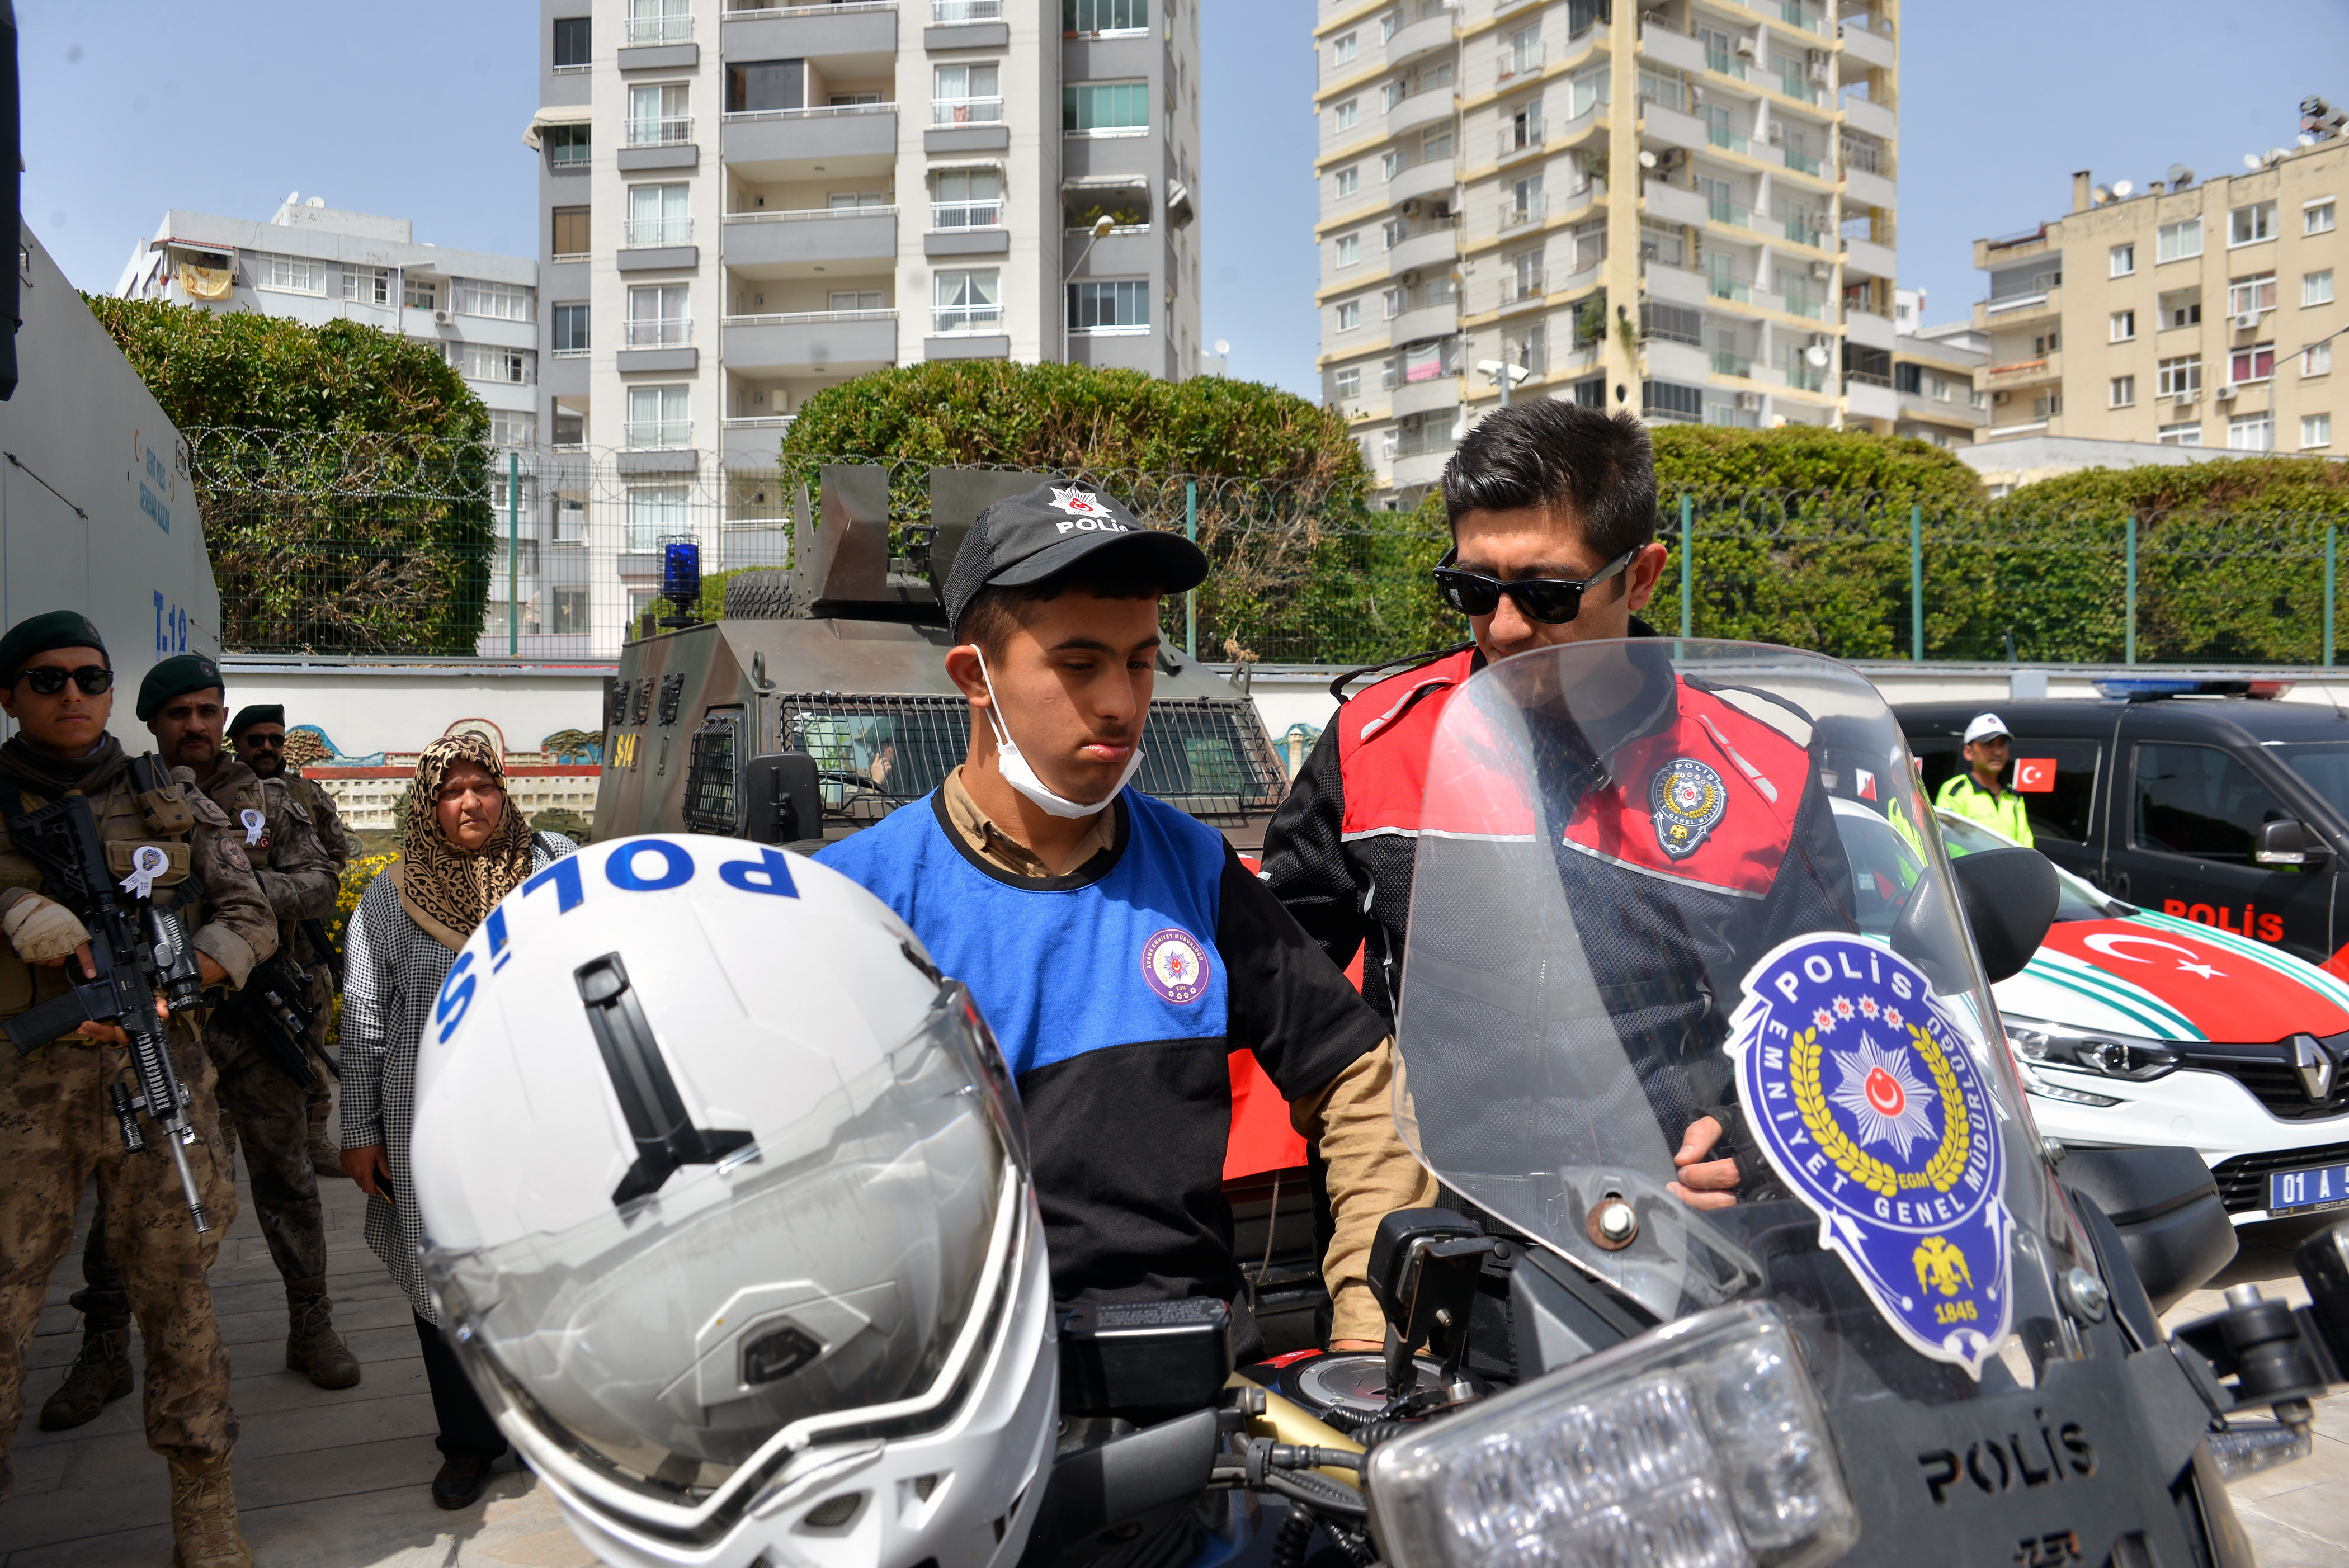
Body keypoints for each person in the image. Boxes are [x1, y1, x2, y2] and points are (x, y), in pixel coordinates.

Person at [815, 479, 1437, 1359]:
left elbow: (1361, 1083)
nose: (1119, 701)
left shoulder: (1195, 868)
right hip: (962, 1406)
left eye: (1140, 661)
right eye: (1078, 665)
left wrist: (1369, 1347)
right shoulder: (856, 903)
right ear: (975, 678)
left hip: (1198, 1396)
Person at [0, 613, 276, 1567]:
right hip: (24, 1095)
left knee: (179, 1291)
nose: (71, 695)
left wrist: (187, 977)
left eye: (89, 677)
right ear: (10, 696)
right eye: (46, 679)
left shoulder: (170, 800)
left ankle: (205, 1509)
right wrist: (9, 906)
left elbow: (250, 912)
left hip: (157, 1078)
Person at [338, 735, 576, 1510]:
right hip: (427, 1124)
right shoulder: (391, 895)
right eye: (452, 791)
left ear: (506, 793)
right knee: (443, 1281)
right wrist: (359, 1129)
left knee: (547, 1269)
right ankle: (469, 1443)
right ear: (428, 803)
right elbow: (368, 1015)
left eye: (484, 787)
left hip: (542, 1117)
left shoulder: (551, 874)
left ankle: (554, 1432)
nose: (470, 802)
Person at [136, 660, 358, 1392]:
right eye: (178, 713)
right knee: (140, 1187)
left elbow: (324, 882)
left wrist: (236, 885)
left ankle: (312, 1323)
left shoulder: (271, 799)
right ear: (153, 722)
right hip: (162, 1028)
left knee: (287, 1176)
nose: (194, 726)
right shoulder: (122, 798)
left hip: (257, 1011)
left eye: (207, 711)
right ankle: (106, 1341)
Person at [229, 705, 350, 1175]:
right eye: (255, 740)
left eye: (275, 740)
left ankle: (317, 1140)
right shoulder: (221, 793)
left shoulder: (305, 794)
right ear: (236, 742)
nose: (266, 748)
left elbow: (334, 858)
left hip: (299, 949)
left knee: (310, 1048)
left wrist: (293, 885)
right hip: (237, 955)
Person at [1934, 712, 2034, 846]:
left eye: (2002, 744)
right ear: (1968, 752)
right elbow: (1951, 844)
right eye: (1989, 744)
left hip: (2013, 868)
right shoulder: (1955, 791)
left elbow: (2026, 844)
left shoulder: (2013, 795)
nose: (1998, 752)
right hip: (1971, 868)